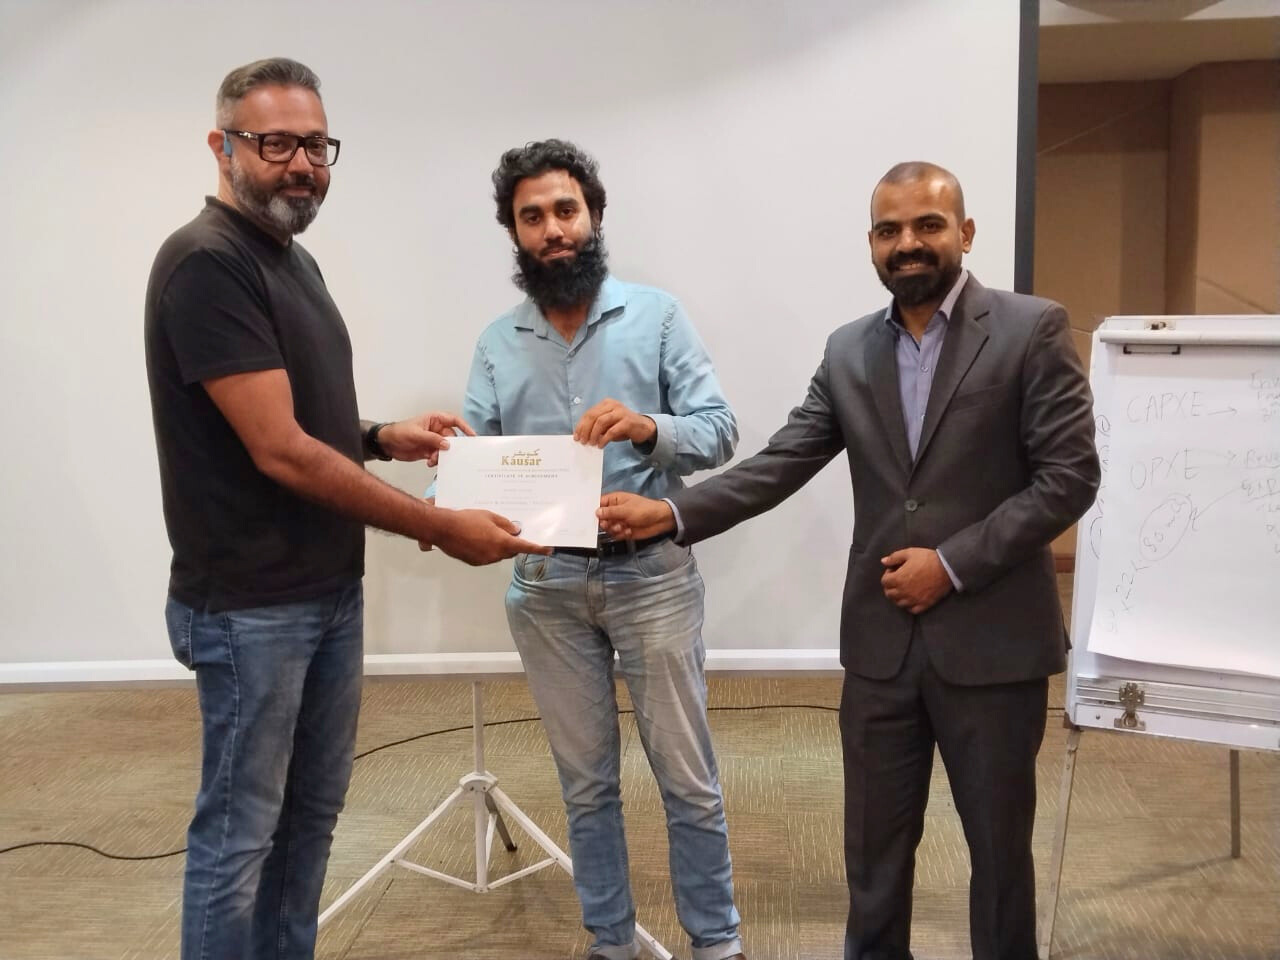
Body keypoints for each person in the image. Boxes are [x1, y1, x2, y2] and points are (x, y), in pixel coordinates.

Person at [598, 162, 1101, 960]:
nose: (908, 243)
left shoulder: (1030, 329)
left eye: (928, 225)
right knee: (872, 862)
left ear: (965, 233)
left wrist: (951, 564)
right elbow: (783, 460)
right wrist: (672, 513)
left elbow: (1068, 478)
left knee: (1000, 859)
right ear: (871, 243)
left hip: (994, 645)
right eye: (889, 230)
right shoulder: (848, 351)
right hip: (880, 649)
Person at [143, 57, 544, 960]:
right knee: (241, 837)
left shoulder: (291, 259)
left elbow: (294, 418)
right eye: (275, 143)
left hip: (324, 592)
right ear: (222, 146)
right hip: (250, 606)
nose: (301, 164)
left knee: (308, 821)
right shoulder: (207, 263)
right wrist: (437, 525)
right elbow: (278, 449)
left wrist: (380, 435)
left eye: (316, 145)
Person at [458, 139, 748, 960]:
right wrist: (460, 486)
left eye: (566, 210)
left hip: (651, 577)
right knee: (586, 787)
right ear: (515, 233)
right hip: (546, 587)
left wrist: (648, 428)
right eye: (533, 217)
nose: (553, 229)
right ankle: (611, 943)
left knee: (687, 780)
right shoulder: (497, 342)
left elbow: (721, 430)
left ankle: (717, 943)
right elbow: (473, 461)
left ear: (594, 216)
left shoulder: (658, 317)